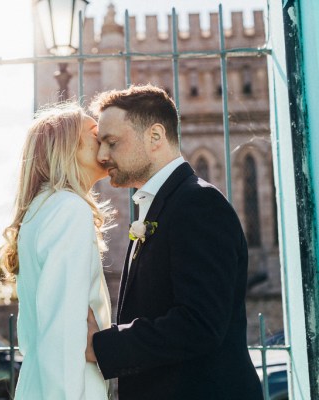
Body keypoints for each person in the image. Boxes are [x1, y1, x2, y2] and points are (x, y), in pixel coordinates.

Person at [85, 84, 263, 400]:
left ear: (155, 137)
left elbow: (200, 323)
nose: (102, 156)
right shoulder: (165, 203)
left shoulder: (198, 204)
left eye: (112, 143)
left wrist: (102, 346)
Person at [0, 102, 113, 399]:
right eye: (95, 133)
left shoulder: (42, 209)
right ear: (68, 146)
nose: (106, 140)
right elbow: (62, 330)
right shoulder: (68, 210)